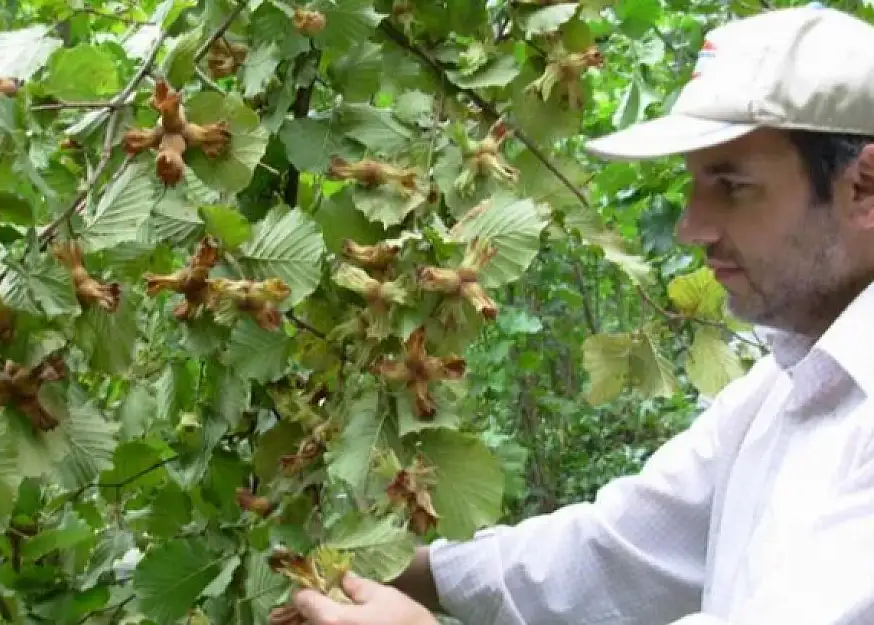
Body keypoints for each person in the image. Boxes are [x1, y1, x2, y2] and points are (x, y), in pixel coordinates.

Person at [292, 5, 874, 625]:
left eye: (730, 186)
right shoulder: (785, 385)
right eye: (694, 185)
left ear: (863, 188)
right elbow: (616, 549)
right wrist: (397, 569)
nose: (690, 228)